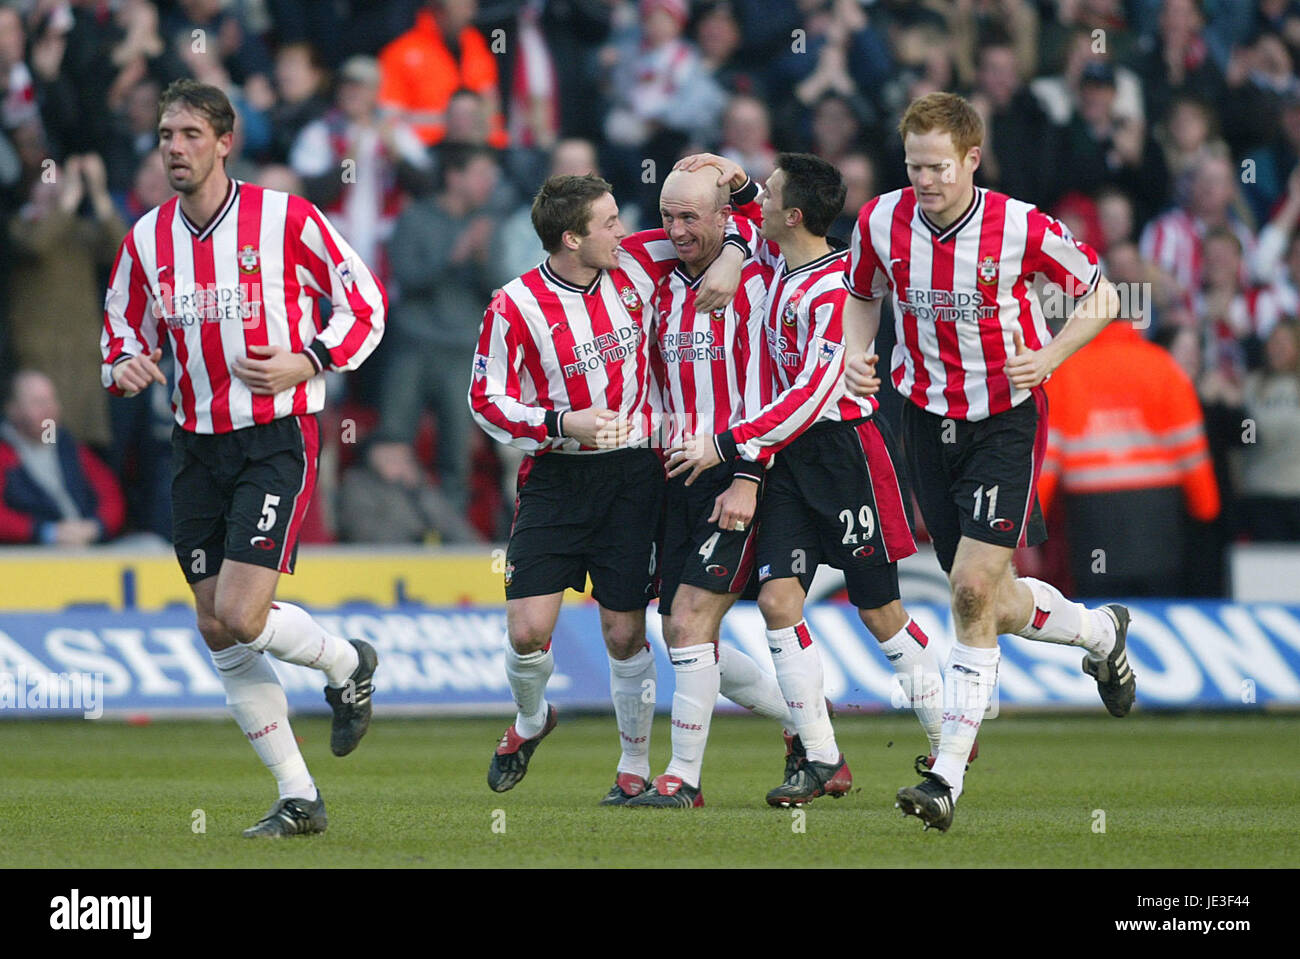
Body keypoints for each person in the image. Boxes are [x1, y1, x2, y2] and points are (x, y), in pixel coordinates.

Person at [841, 92, 1136, 833]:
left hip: (1004, 416)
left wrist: (1051, 355)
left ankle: (944, 776)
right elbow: (862, 295)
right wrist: (853, 353)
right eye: (914, 166)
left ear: (973, 157)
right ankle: (1102, 634)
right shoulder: (880, 219)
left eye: (938, 166)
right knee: (988, 598)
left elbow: (1103, 296)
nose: (925, 181)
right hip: (921, 415)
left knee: (970, 588)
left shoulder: (1021, 225)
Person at [100, 80, 386, 838]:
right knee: (215, 625)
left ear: (225, 141)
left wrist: (311, 359)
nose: (174, 147)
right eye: (166, 134)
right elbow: (120, 330)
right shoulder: (146, 239)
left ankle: (344, 663)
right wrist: (124, 363)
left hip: (274, 434)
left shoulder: (284, 218)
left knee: (240, 611)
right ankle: (299, 795)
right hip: (195, 445)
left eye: (191, 133)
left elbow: (365, 303)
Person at [668, 151, 956, 808]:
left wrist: (727, 444)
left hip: (846, 453)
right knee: (777, 602)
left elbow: (808, 393)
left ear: (793, 215)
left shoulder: (837, 289)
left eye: (767, 194)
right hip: (790, 462)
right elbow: (747, 228)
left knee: (881, 611)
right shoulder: (780, 262)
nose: (757, 203)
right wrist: (734, 178)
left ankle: (949, 742)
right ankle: (822, 754)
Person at [467, 173, 745, 803]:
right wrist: (563, 423)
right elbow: (485, 402)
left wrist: (729, 254)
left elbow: (729, 231)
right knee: (526, 632)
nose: (627, 231)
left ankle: (632, 767)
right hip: (557, 480)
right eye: (611, 221)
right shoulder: (514, 305)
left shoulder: (636, 263)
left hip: (634, 476)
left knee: (624, 631)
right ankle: (533, 720)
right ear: (572, 238)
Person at [0, 370, 124, 545]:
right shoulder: (5, 453)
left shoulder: (70, 449)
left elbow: (110, 494)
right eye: (38, 402)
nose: (48, 409)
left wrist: (95, 527)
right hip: (27, 555)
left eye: (51, 400)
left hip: (87, 545)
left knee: (151, 545)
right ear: (13, 410)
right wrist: (44, 532)